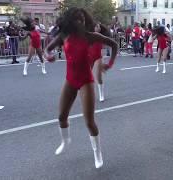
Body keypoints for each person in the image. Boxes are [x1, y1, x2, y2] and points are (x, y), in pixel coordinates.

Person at [44, 8, 118, 169]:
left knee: (89, 122)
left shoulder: (90, 36)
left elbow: (114, 45)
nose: (81, 22)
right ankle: (65, 141)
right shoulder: (65, 36)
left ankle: (97, 153)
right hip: (70, 80)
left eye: (83, 20)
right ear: (71, 21)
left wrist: (110, 63)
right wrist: (48, 56)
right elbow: (48, 49)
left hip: (86, 81)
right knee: (61, 117)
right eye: (78, 20)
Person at [89, 22, 111, 102]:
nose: (99, 27)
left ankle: (101, 94)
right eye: (97, 26)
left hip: (98, 57)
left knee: (98, 77)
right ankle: (88, 94)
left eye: (99, 26)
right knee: (87, 77)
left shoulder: (102, 36)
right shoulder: (88, 35)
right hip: (89, 57)